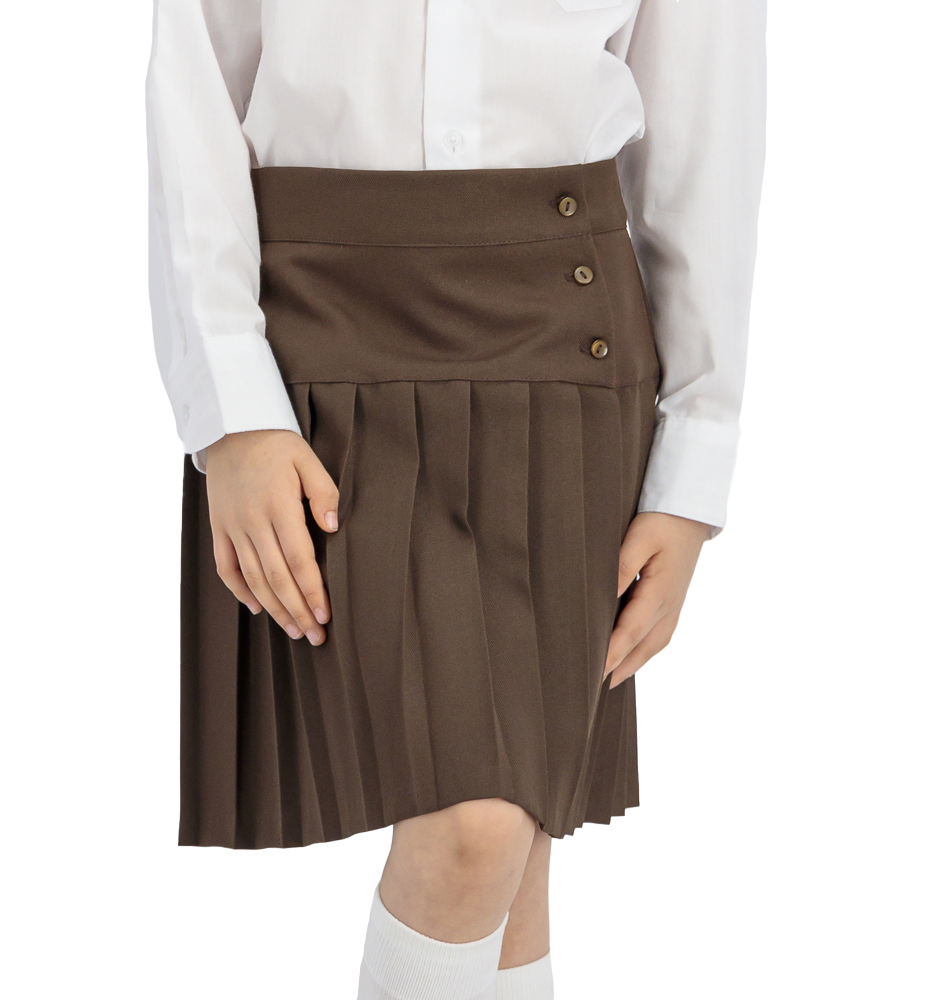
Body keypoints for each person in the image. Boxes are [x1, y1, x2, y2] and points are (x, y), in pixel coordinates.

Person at [146, 2, 766, 997]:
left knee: (511, 849)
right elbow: (195, 80)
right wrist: (228, 410)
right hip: (313, 358)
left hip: (565, 348)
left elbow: (704, 139)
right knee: (480, 833)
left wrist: (697, 454)